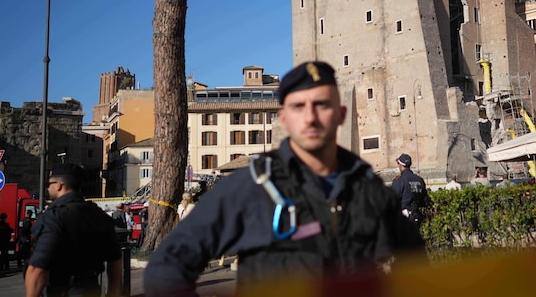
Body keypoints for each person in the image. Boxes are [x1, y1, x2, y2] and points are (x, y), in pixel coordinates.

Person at [144, 61, 424, 296]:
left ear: (340, 114)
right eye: (299, 106)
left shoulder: (368, 187)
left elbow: (415, 261)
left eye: (321, 104)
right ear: (284, 118)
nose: (311, 117)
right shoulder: (250, 187)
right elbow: (165, 268)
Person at [25, 163, 122, 297]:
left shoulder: (54, 217)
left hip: (63, 290)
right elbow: (115, 260)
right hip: (92, 289)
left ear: (59, 185)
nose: (47, 187)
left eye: (49, 184)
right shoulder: (99, 215)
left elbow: (38, 269)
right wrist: (112, 293)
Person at [391, 153, 430, 226]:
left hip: (403, 217)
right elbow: (425, 201)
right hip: (417, 216)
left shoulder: (399, 180)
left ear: (401, 165)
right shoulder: (419, 179)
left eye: (398, 163)